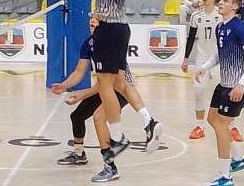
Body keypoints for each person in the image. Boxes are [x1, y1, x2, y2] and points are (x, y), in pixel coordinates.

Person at [67, 0, 152, 167]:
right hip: (109, 27)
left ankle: (119, 137)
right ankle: (143, 125)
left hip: (114, 27)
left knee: (108, 86)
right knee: (115, 84)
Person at [52, 16, 162, 182]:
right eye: (91, 20)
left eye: (96, 20)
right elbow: (79, 71)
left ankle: (110, 167)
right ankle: (79, 154)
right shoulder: (89, 43)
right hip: (105, 87)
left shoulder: (110, 43)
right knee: (77, 116)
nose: (92, 22)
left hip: (119, 91)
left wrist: (81, 94)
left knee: (98, 118)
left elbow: (106, 83)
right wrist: (64, 85)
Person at [195, 0, 244, 186]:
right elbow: (219, 53)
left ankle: (225, 177)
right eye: (221, 0)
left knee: (222, 126)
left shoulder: (241, 28)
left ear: (235, 6)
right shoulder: (220, 27)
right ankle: (238, 158)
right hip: (224, 84)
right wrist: (205, 67)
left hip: (237, 86)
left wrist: (241, 84)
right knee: (212, 120)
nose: (221, 3)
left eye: (226, 1)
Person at [182, 0, 222, 140]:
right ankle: (200, 126)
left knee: (224, 92)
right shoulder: (195, 16)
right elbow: (191, 38)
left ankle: (231, 126)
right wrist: (186, 58)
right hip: (202, 57)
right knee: (199, 91)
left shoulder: (221, 14)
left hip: (218, 58)